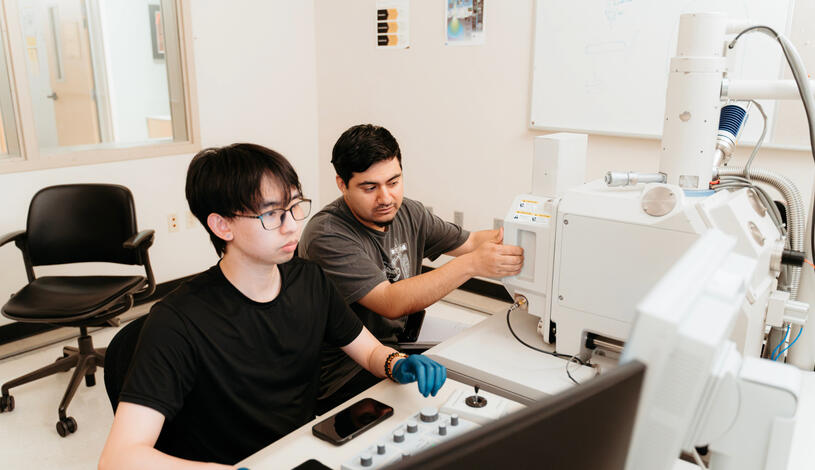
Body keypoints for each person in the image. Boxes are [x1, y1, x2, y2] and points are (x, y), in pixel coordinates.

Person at [98, 143, 447, 469]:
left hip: (297, 452)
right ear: (222, 225)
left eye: (295, 207)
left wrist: (397, 364)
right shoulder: (177, 322)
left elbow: (369, 352)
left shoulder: (309, 281)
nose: (292, 226)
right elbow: (120, 457)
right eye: (272, 215)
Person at [299, 124, 523, 413]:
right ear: (342, 184)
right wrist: (472, 265)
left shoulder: (408, 211)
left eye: (394, 182)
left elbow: (470, 242)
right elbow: (391, 302)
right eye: (369, 187)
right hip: (344, 371)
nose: (386, 198)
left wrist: (530, 235)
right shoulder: (327, 235)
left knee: (486, 363)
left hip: (398, 344)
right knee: (437, 410)